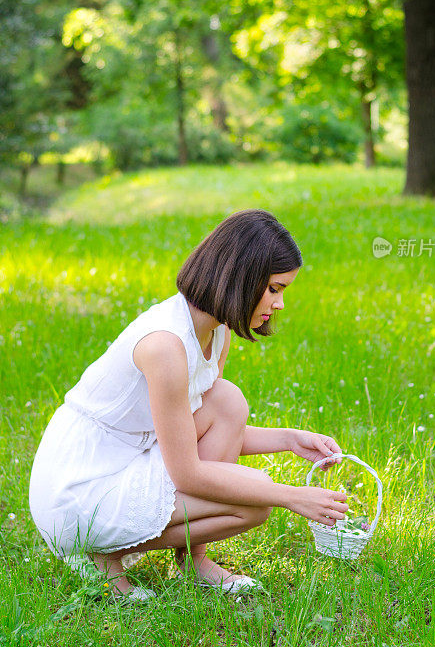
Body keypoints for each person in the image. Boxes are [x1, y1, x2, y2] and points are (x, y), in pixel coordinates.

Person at [29, 209, 348, 601]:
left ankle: (192, 561)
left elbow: (193, 426)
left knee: (226, 402)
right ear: (241, 279)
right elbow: (188, 474)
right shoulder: (165, 344)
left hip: (131, 455)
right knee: (256, 500)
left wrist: (290, 439)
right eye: (274, 289)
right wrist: (291, 496)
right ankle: (102, 558)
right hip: (80, 487)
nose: (279, 304)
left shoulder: (216, 333)